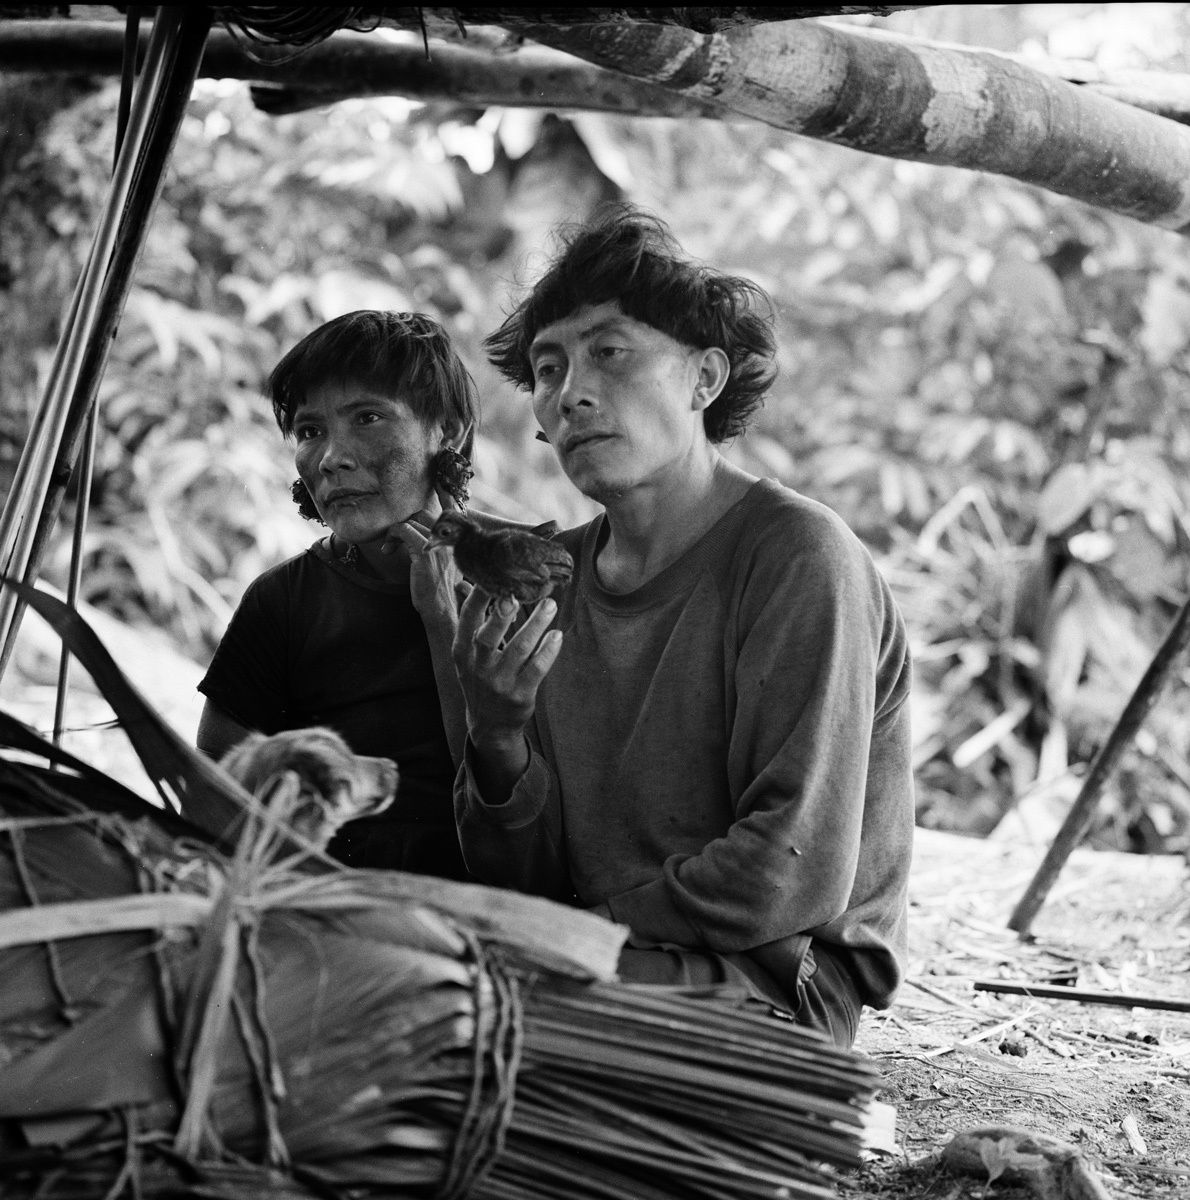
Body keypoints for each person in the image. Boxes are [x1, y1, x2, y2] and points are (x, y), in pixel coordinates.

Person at [440, 207, 915, 1048]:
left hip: (775, 986)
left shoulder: (799, 557)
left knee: (448, 1006)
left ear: (704, 379)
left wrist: (571, 937)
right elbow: (524, 879)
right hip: (602, 960)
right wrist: (500, 738)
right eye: (549, 369)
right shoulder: (553, 576)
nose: (572, 392)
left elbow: (786, 873)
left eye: (610, 352)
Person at [196, 309, 486, 879]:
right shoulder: (282, 602)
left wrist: (444, 621)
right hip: (317, 904)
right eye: (310, 431)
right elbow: (214, 805)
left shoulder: (521, 578)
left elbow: (533, 804)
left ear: (447, 430)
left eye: (368, 418)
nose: (331, 458)